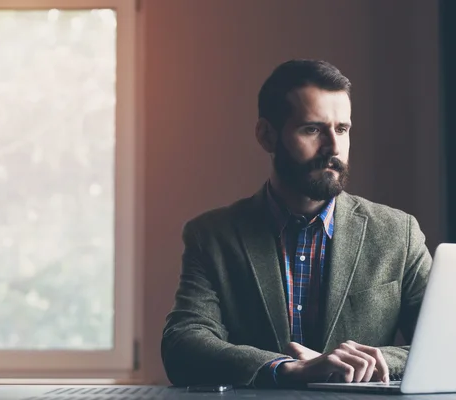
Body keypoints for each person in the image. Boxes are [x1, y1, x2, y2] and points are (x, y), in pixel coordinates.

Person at [161, 59, 432, 388]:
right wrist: (285, 368)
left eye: (342, 129)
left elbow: (447, 341)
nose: (333, 147)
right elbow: (183, 343)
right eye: (313, 129)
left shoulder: (398, 234)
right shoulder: (213, 236)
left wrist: (377, 360)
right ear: (266, 135)